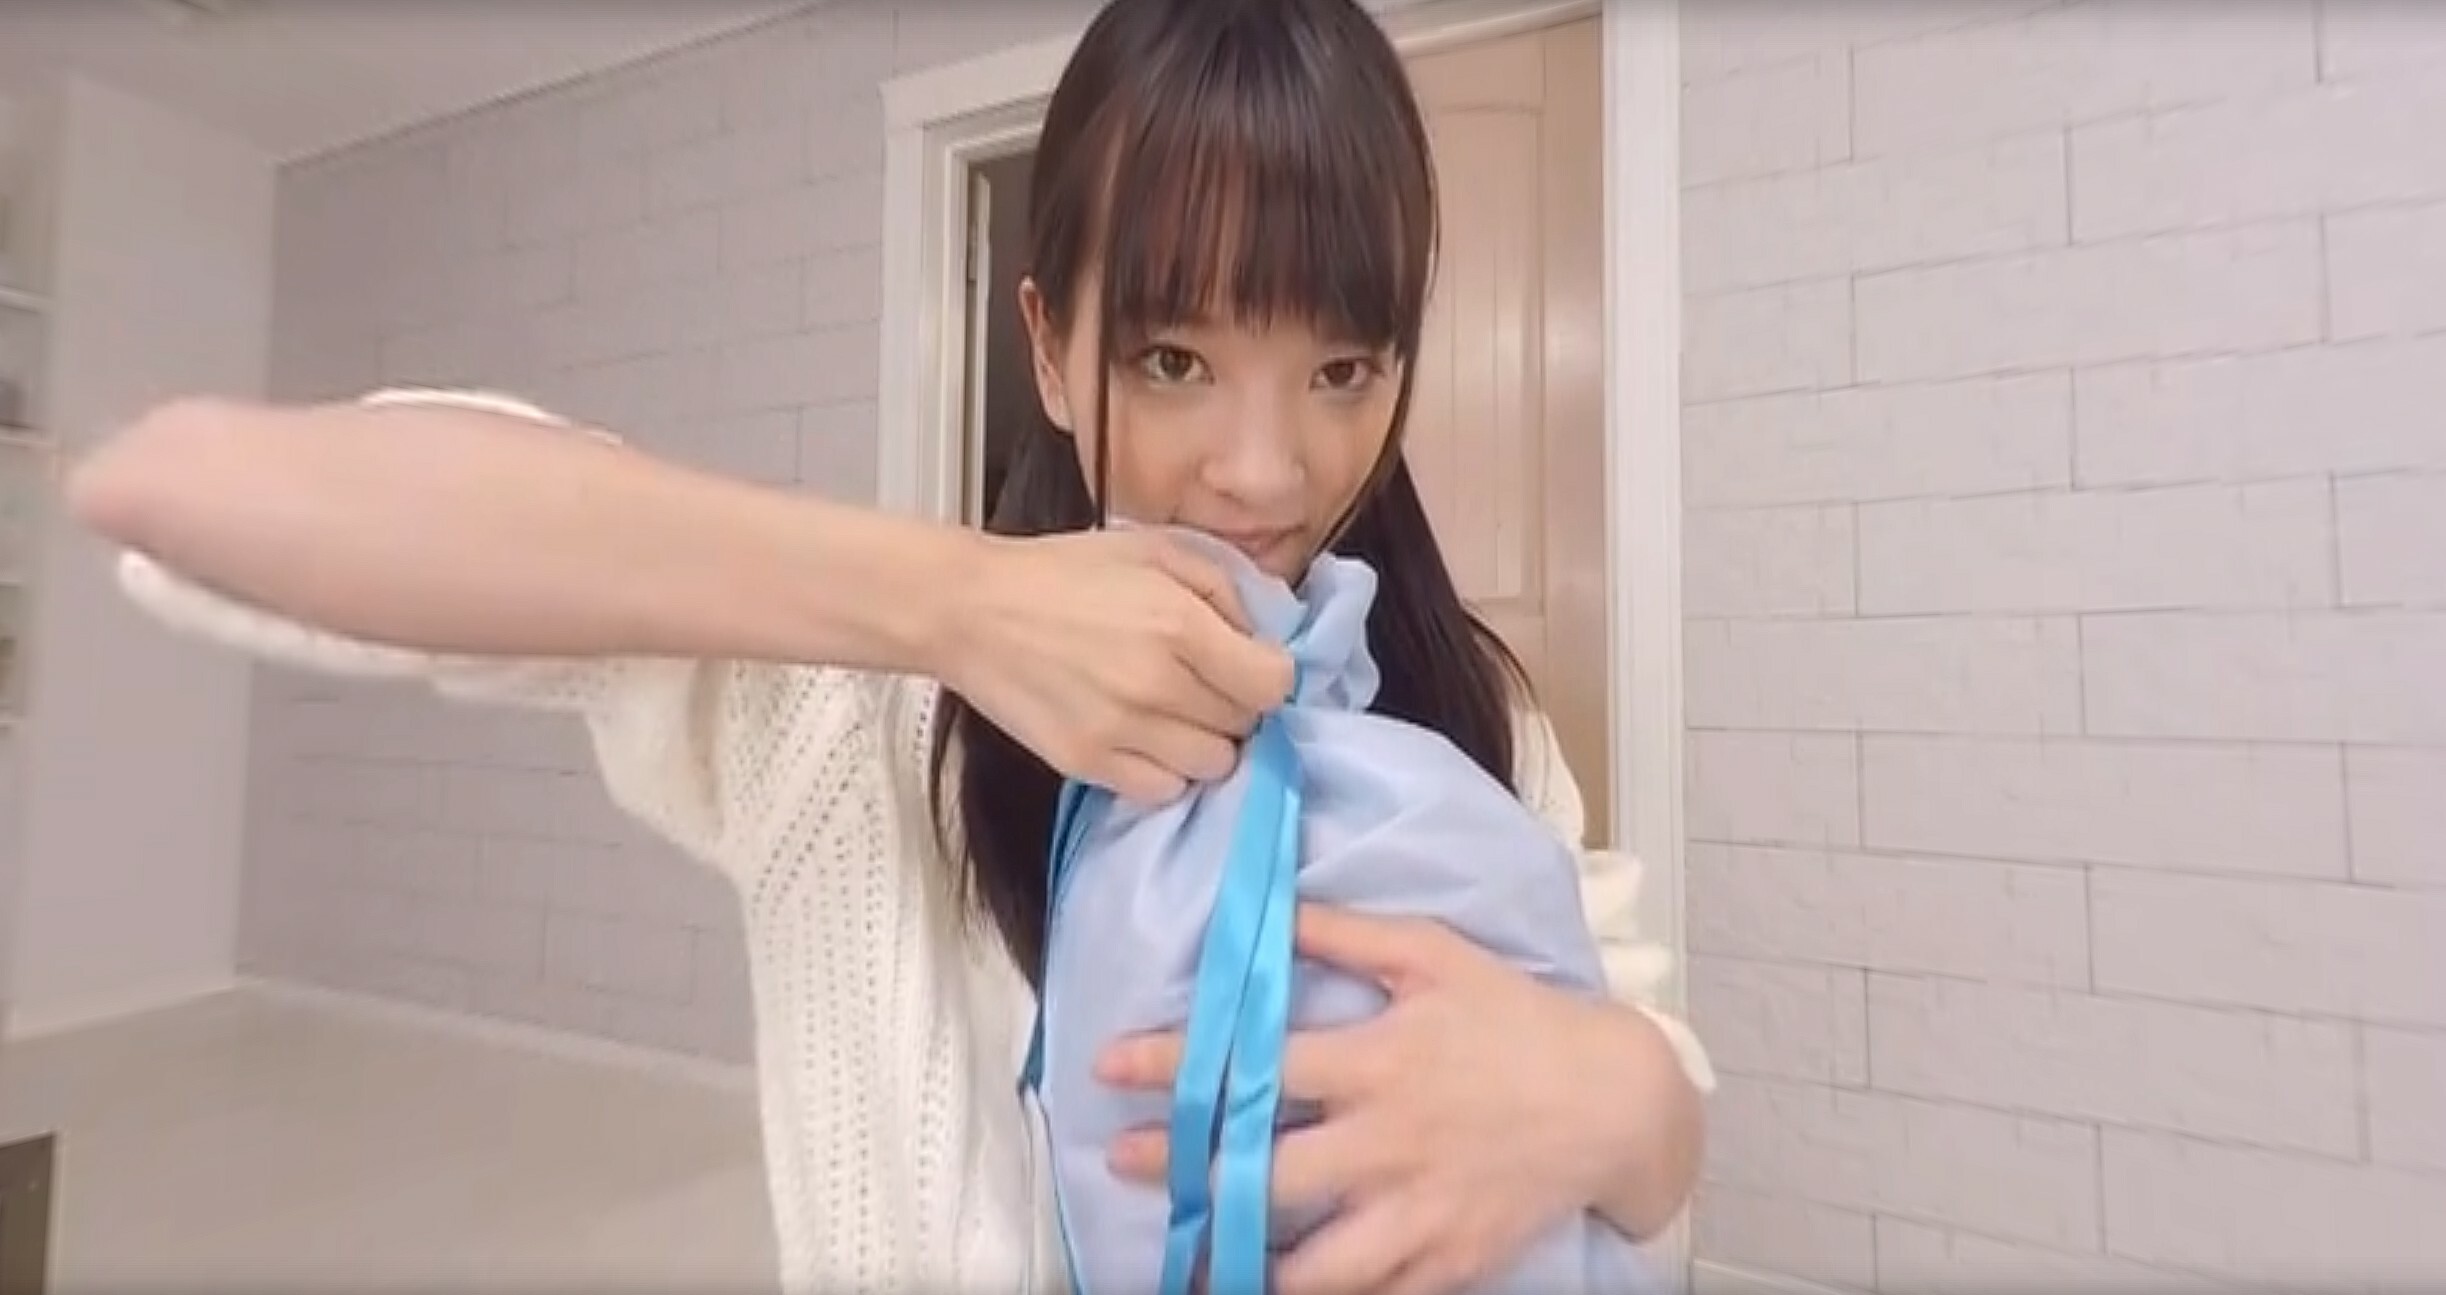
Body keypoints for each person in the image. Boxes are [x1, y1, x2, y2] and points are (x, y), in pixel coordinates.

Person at [65, 0, 1711, 1290]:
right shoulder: (858, 718)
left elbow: (1648, 1159)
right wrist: (952, 605)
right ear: (1048, 348)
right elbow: (193, 489)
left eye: (1342, 371)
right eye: (1173, 360)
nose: (1267, 474)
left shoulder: (1468, 714)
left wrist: (1616, 1101)